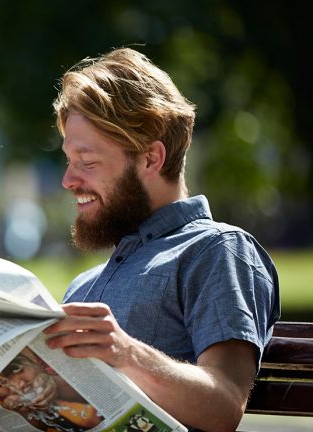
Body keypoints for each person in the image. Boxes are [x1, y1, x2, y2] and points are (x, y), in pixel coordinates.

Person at [43, 48, 280, 431]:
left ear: (151, 159)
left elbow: (224, 404)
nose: (68, 181)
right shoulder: (83, 286)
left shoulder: (215, 250)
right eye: (69, 161)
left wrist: (125, 353)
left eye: (86, 162)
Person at [0, 347, 102, 431]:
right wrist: (22, 412)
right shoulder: (1, 402)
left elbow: (95, 402)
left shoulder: (49, 368)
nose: (18, 384)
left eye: (16, 370)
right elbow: (39, 426)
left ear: (34, 361)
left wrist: (58, 385)